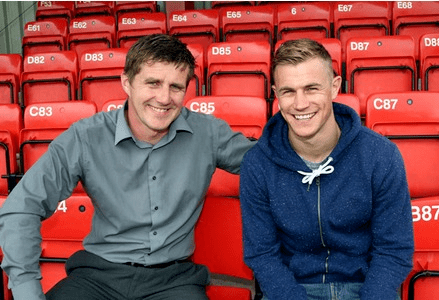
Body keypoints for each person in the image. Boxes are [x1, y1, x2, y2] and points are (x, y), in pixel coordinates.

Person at [0, 34, 255, 300]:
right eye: (153, 83)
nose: (164, 98)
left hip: (174, 280)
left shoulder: (209, 133)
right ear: (127, 82)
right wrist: (27, 290)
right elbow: (22, 207)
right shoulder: (86, 136)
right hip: (97, 277)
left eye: (176, 87)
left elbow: (268, 163)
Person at [239, 38, 414, 300]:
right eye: (288, 91)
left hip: (365, 287)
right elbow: (262, 254)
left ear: (334, 87)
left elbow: (393, 250)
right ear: (276, 94)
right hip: (291, 289)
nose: (300, 104)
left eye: (311, 89)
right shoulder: (257, 163)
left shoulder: (380, 155)